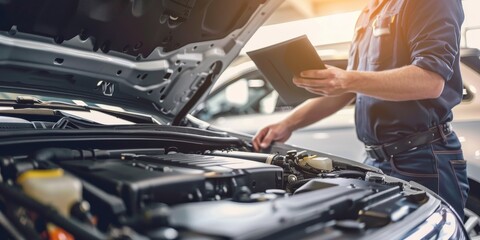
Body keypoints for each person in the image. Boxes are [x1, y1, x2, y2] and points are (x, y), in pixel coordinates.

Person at [252, 0, 469, 218]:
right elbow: (349, 89)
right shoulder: (369, 11)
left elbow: (430, 81)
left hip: (423, 158)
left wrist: (346, 79)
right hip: (375, 160)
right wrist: (287, 123)